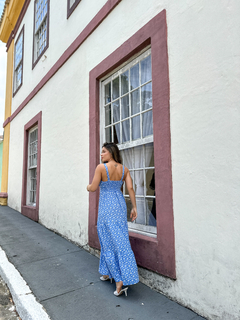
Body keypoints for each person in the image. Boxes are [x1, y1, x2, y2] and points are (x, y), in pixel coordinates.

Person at [87, 142, 139, 296]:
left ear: (111, 152)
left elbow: (94, 187)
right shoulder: (125, 169)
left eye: (103, 151)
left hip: (107, 208)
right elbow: (130, 188)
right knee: (120, 240)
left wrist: (87, 186)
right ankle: (107, 272)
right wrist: (134, 207)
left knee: (107, 242)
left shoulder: (101, 168)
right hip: (120, 206)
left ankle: (119, 279)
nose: (101, 154)